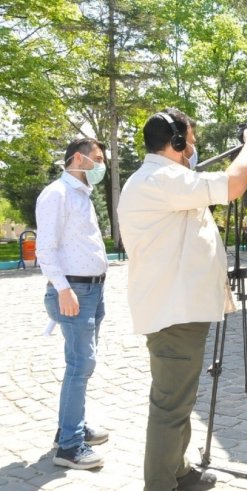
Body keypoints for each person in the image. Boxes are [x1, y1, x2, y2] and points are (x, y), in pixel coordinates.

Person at [117, 108, 247, 491]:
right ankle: (160, 484)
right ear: (177, 142)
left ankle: (179, 471)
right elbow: (234, 185)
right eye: (191, 140)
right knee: (170, 406)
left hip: (179, 310)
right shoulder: (161, 178)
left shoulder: (165, 179)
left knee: (179, 399)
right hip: (174, 313)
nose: (195, 147)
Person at [36, 137, 110, 469]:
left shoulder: (81, 194)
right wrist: (63, 289)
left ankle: (71, 427)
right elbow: (45, 249)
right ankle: (69, 447)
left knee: (80, 365)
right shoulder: (57, 194)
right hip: (74, 292)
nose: (101, 165)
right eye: (97, 158)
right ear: (78, 159)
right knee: (81, 366)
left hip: (93, 291)